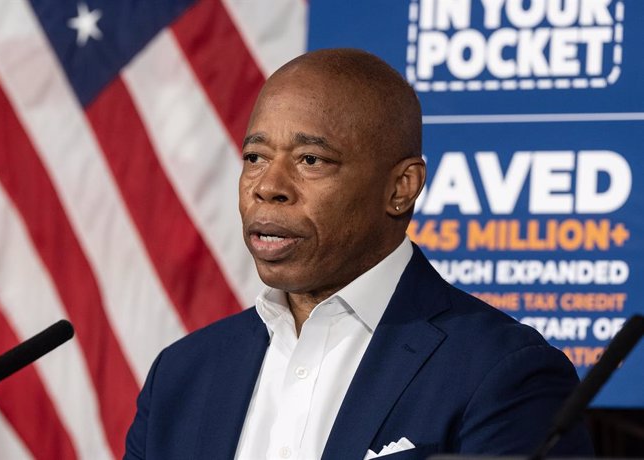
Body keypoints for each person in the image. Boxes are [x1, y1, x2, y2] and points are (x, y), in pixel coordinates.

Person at [124, 48, 592, 459]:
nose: (267, 187)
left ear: (400, 188)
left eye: (311, 160)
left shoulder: (501, 373)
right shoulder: (181, 375)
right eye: (255, 157)